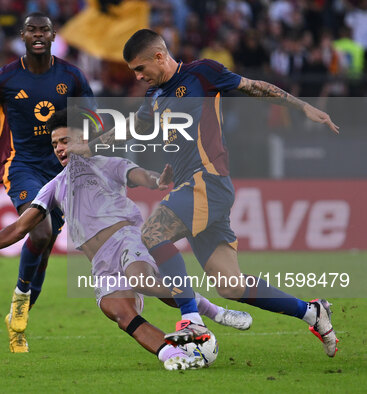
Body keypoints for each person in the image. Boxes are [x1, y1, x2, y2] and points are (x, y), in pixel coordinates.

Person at [70, 29, 339, 357]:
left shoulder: (202, 73)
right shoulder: (154, 98)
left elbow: (254, 87)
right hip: (190, 186)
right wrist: (91, 147)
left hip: (208, 181)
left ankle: (191, 319)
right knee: (230, 285)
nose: (138, 77)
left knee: (153, 232)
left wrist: (301, 107)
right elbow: (132, 129)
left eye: (140, 69)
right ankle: (312, 312)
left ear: (159, 56)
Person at [0, 109, 252, 370]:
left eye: (65, 140)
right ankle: (172, 356)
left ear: (82, 139)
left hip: (126, 238)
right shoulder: (54, 186)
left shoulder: (106, 163)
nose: (59, 148)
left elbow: (138, 175)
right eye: (54, 144)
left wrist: (157, 181)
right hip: (100, 263)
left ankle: (213, 311)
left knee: (143, 280)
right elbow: (18, 229)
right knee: (119, 314)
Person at [0, 12, 94, 352]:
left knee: (44, 247)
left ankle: (19, 317)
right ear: (22, 35)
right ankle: (19, 307)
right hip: (19, 163)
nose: (38, 35)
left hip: (62, 167)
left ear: (53, 36)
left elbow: (93, 117)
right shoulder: (5, 78)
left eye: (44, 30)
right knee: (39, 231)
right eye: (32, 30)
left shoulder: (72, 76)